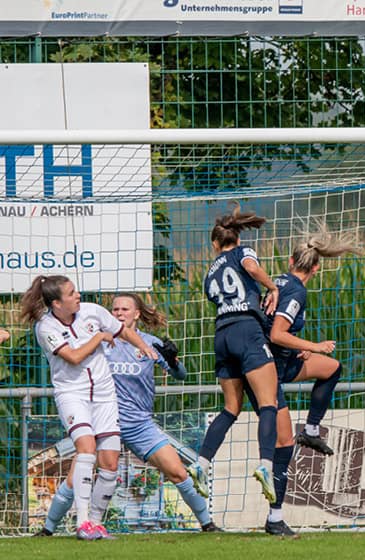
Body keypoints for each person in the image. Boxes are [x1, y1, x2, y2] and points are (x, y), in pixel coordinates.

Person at [36, 293, 221, 535]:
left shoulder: (147, 342)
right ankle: (48, 530)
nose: (119, 313)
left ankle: (208, 525)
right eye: (115, 309)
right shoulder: (97, 341)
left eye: (125, 309)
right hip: (102, 421)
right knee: (75, 478)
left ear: (137, 314)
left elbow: (181, 376)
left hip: (138, 424)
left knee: (177, 471)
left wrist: (174, 363)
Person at [21, 275, 158, 540]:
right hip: (73, 395)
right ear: (57, 303)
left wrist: (143, 347)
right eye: (71, 293)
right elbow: (73, 357)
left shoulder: (93, 312)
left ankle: (95, 523)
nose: (78, 295)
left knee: (110, 462)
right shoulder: (45, 327)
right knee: (86, 449)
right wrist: (99, 338)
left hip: (105, 396)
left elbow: (122, 331)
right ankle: (82, 522)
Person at [260, 220, 361, 537]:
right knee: (283, 443)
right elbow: (277, 333)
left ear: (291, 262)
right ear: (316, 268)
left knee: (331, 368)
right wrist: (312, 345)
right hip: (267, 370)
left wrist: (299, 352)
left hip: (281, 361)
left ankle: (313, 429)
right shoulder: (296, 291)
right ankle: (275, 518)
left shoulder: (276, 282)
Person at [188, 205, 280, 503]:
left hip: (222, 335)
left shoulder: (209, 275)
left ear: (214, 244)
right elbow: (252, 269)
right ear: (237, 239)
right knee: (269, 404)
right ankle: (266, 465)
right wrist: (272, 287)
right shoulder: (243, 253)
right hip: (246, 329)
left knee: (230, 409)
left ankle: (201, 463)